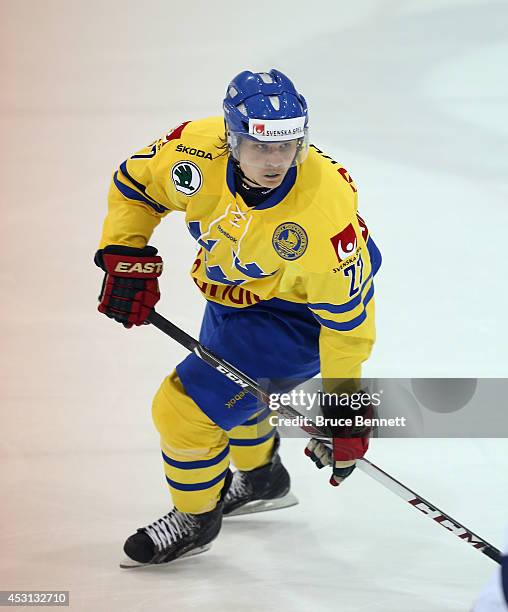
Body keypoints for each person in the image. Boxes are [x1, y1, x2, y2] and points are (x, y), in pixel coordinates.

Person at [95, 69, 382, 567]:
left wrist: (344, 408)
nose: (276, 161)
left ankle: (195, 518)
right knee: (234, 400)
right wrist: (126, 254)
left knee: (183, 411)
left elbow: (348, 326)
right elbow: (136, 186)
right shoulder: (193, 152)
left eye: (288, 145)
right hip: (237, 291)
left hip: (298, 317)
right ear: (231, 137)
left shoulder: (322, 214)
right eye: (260, 146)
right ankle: (262, 477)